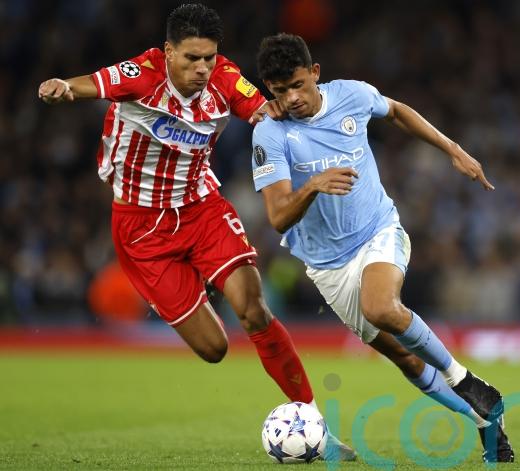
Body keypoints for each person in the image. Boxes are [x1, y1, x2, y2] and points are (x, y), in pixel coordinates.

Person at [37, 5, 356, 461]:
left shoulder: (224, 78)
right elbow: (90, 83)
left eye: (208, 57)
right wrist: (63, 87)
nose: (202, 68)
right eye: (191, 58)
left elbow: (262, 112)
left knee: (253, 309)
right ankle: (193, 290)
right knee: (214, 348)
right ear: (169, 52)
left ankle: (316, 426)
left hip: (200, 208)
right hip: (141, 230)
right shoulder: (142, 74)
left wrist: (299, 120)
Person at [251, 33, 515, 463]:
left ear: (315, 73)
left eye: (298, 85)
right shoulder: (269, 132)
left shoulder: (352, 96)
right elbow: (279, 216)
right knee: (404, 358)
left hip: (377, 230)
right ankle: (486, 421)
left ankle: (464, 379)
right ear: (269, 89)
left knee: (380, 307)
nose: (292, 98)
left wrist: (452, 149)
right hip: (326, 265)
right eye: (281, 91)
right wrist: (314, 184)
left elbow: (396, 111)